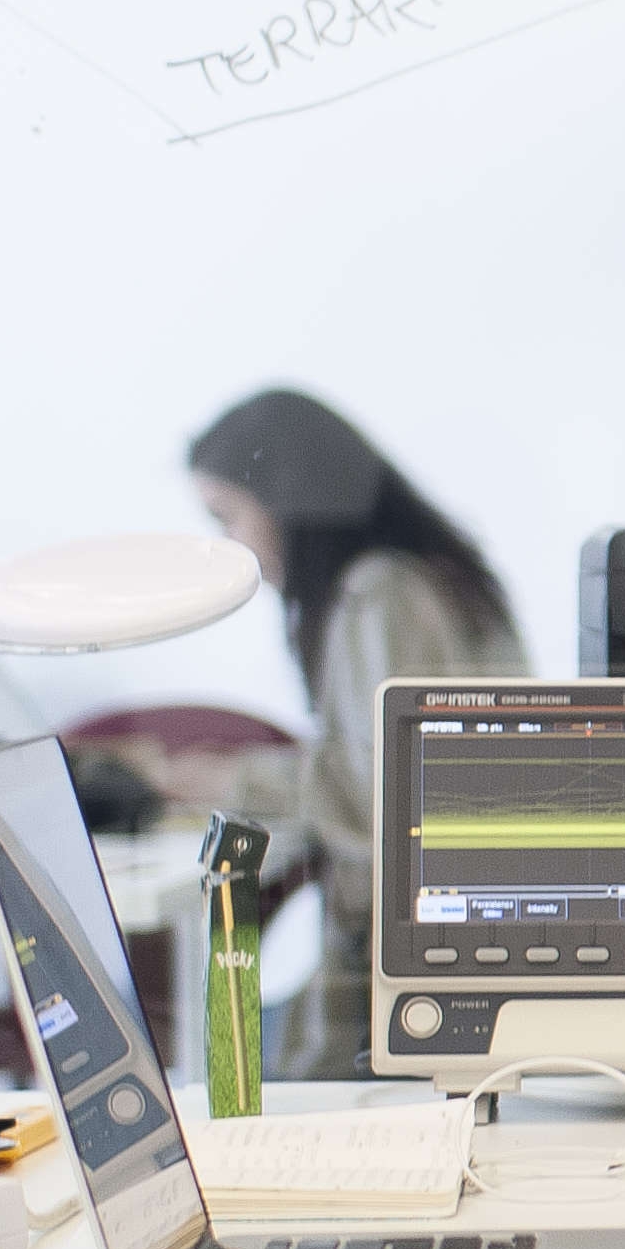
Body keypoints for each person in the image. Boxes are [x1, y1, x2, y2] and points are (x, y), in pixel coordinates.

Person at [188, 390, 528, 1079]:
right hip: (452, 947)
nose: (228, 547)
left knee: (228, 1057)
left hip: (401, 967)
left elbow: (387, 799)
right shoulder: (429, 578)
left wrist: (230, 780)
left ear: (285, 500)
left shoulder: (380, 596)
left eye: (227, 517)